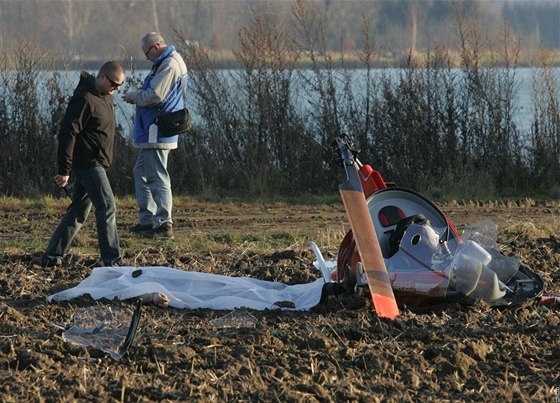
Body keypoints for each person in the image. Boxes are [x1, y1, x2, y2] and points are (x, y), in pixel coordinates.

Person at [41, 61, 125, 267]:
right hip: (88, 163)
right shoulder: (84, 99)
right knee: (106, 206)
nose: (117, 89)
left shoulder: (106, 97)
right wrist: (64, 169)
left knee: (79, 211)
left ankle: (52, 256)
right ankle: (112, 260)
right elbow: (67, 133)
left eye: (120, 85)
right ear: (102, 77)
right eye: (115, 84)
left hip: (98, 162)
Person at [122, 32, 188, 239]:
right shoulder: (167, 61)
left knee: (157, 176)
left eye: (147, 53)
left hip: (157, 131)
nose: (147, 57)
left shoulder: (169, 64)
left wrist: (134, 96)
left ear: (156, 47)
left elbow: (155, 95)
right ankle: (147, 220)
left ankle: (163, 223)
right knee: (140, 172)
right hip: (154, 130)